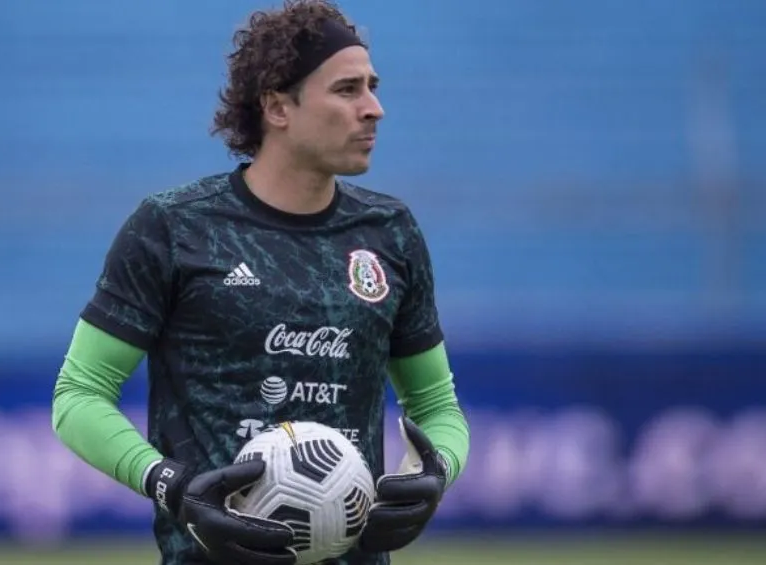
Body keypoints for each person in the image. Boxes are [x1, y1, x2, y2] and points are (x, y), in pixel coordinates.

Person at [51, 1, 470, 563]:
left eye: (372, 87)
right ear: (277, 106)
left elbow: (436, 404)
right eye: (347, 90)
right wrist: (170, 485)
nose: (374, 109)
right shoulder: (175, 228)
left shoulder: (389, 234)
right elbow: (78, 396)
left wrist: (436, 470)